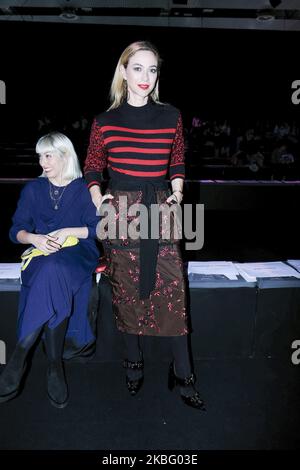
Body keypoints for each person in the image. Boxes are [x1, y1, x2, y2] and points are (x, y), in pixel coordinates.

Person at [84, 41, 205, 410]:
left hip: (160, 209)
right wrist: (97, 197)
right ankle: (133, 365)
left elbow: (178, 159)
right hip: (119, 213)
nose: (145, 77)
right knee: (126, 293)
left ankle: (183, 373)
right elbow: (93, 165)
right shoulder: (104, 121)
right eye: (137, 68)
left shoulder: (171, 115)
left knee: (173, 293)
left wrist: (178, 191)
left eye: (152, 70)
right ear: (123, 71)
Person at [0, 132, 100, 408]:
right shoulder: (33, 189)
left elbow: (98, 229)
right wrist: (35, 238)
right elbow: (15, 231)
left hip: (78, 253)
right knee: (50, 269)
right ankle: (54, 364)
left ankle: (20, 354)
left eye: (48, 155)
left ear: (65, 156)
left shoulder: (83, 189)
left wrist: (66, 230)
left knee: (54, 268)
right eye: (40, 156)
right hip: (42, 254)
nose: (42, 162)